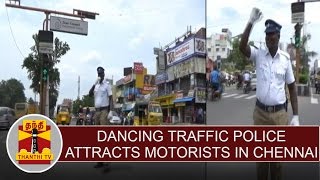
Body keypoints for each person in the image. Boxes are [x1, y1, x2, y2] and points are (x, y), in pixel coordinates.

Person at [239, 8, 299, 180]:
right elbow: (242, 47)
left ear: (278, 36)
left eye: (272, 34)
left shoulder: (286, 60)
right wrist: (250, 22)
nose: (268, 37)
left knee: (278, 162)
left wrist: (296, 116)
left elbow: (292, 88)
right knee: (262, 161)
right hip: (261, 115)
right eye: (266, 34)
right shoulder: (258, 55)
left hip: (280, 116)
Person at [89, 66, 113, 170]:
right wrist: (94, 84)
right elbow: (90, 94)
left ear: (104, 74)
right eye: (99, 74)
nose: (100, 76)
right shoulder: (96, 85)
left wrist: (111, 110)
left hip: (104, 111)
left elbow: (111, 97)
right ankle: (99, 161)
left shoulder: (107, 85)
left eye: (101, 74)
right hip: (97, 112)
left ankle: (106, 160)